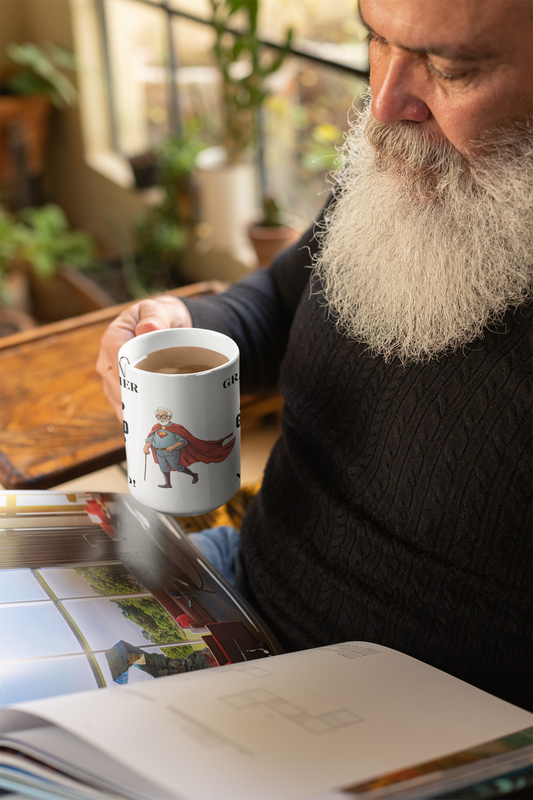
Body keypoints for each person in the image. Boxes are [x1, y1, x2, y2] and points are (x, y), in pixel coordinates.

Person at [97, 0, 533, 710]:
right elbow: (282, 295)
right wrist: (185, 320)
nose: (383, 105)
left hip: (406, 725)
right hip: (239, 581)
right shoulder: (424, 164)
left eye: (448, 68)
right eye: (375, 39)